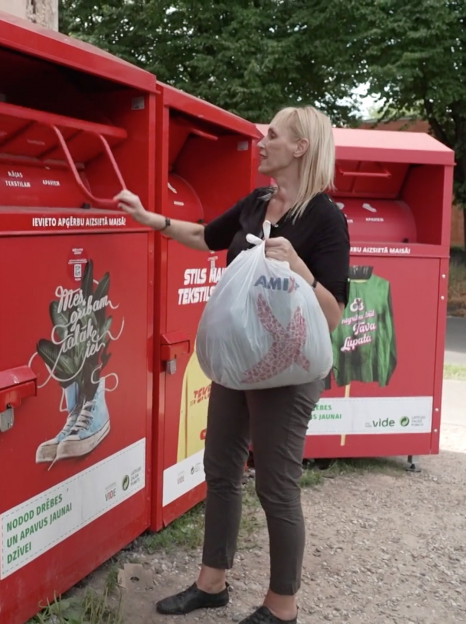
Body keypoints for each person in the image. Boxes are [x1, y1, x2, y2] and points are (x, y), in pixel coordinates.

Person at [114, 106, 349, 624]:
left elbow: (331, 313)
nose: (261, 142)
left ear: (300, 147)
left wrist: (302, 270)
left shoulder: (325, 219)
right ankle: (211, 584)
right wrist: (147, 217)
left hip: (288, 374)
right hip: (238, 364)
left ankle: (281, 607)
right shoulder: (258, 202)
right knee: (220, 469)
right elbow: (205, 236)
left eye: (272, 135)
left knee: (276, 484)